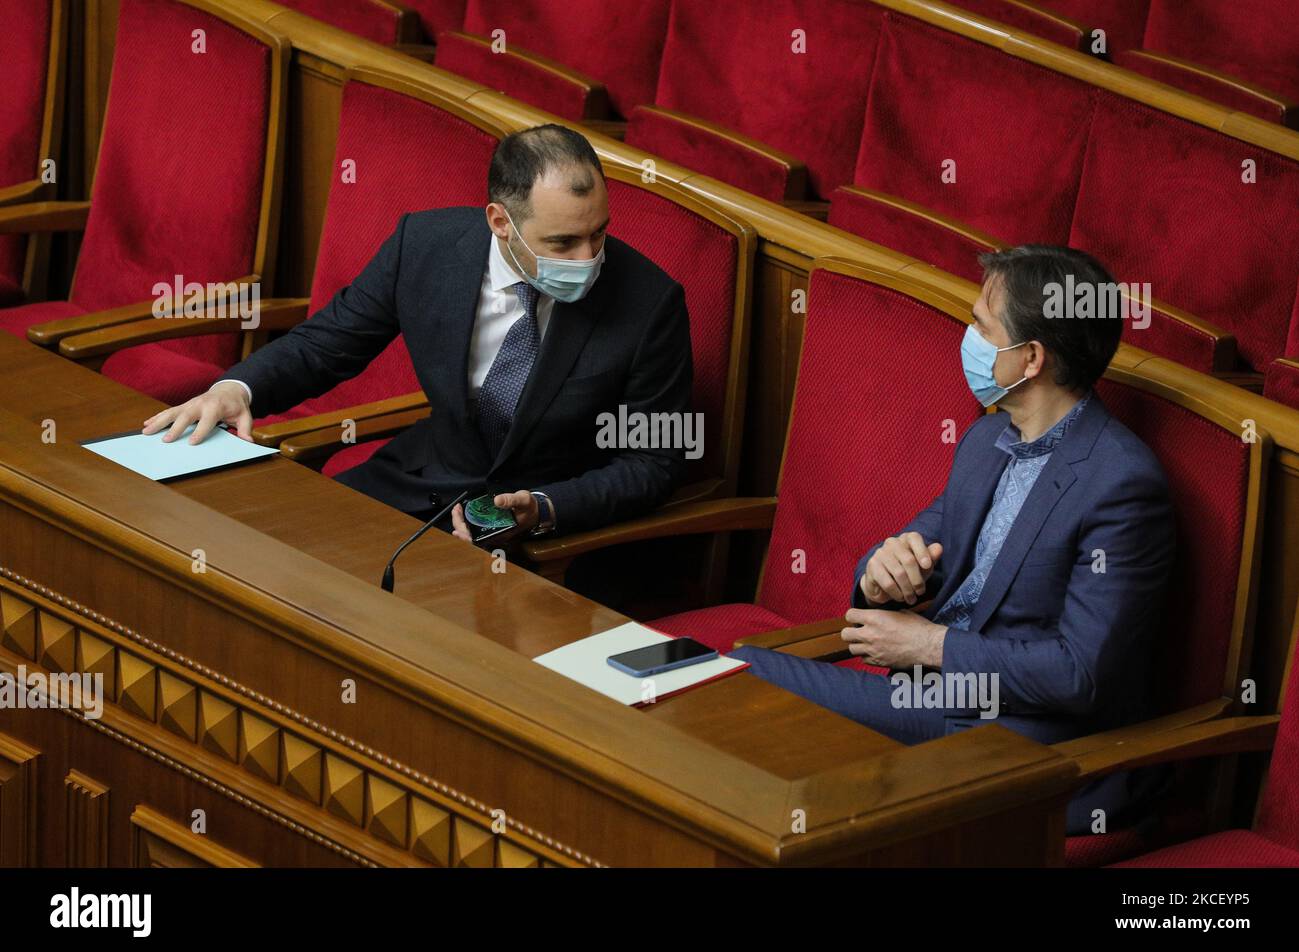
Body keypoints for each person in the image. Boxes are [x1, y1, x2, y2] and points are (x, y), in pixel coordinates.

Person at [729, 245, 1176, 834]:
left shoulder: (1121, 484)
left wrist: (930, 648)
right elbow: (918, 546)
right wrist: (879, 573)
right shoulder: (986, 439)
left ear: (1031, 357)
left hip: (1010, 736)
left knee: (736, 676)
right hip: (928, 698)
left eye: (980, 326)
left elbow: (1081, 675)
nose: (967, 337)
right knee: (725, 698)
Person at [141, 124, 692, 544]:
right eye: (563, 242)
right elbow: (326, 345)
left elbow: (655, 461)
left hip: (545, 532)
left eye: (600, 233)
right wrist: (236, 390)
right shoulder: (423, 246)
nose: (589, 258)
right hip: (419, 481)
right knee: (261, 553)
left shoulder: (650, 302)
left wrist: (546, 507)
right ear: (500, 222)